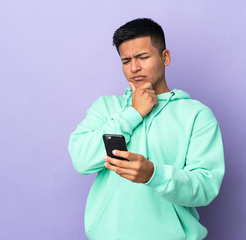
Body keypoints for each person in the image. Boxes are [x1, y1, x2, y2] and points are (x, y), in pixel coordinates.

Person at [68, 18, 225, 240]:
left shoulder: (196, 115)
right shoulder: (105, 108)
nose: (134, 68)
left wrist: (154, 174)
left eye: (143, 57)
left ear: (165, 57)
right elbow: (81, 160)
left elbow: (206, 187)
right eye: (126, 60)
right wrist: (133, 113)